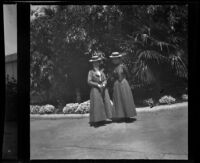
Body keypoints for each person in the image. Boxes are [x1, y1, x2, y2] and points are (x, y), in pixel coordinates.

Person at [109, 52, 137, 122]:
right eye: (113, 59)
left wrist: (126, 83)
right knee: (118, 99)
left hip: (124, 84)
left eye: (116, 59)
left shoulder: (123, 66)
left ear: (119, 59)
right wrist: (112, 79)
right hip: (116, 85)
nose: (114, 60)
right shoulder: (113, 68)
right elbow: (111, 77)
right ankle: (121, 115)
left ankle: (127, 115)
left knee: (125, 98)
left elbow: (129, 76)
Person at [87, 53, 112, 127]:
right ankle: (97, 120)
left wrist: (104, 84)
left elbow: (105, 79)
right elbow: (89, 81)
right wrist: (97, 85)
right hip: (95, 90)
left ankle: (103, 118)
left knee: (104, 102)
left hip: (103, 89)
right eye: (94, 62)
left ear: (99, 63)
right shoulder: (91, 72)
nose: (96, 63)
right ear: (92, 63)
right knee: (97, 104)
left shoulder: (101, 72)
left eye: (97, 62)